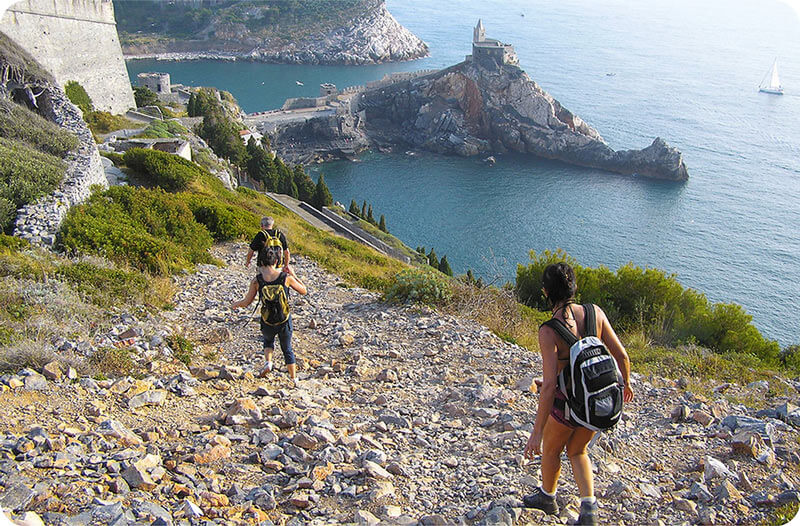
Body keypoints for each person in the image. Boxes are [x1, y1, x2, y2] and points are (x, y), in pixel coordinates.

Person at [523, 262, 634, 525]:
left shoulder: (549, 330)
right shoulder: (595, 313)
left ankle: (548, 497)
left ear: (546, 292)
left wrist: (536, 432)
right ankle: (589, 510)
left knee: (551, 450)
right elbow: (622, 355)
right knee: (577, 450)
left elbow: (550, 386)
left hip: (567, 406)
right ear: (574, 287)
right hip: (597, 403)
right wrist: (626, 385)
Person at [231, 249, 307, 385]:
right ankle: (294, 378)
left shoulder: (257, 281)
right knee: (287, 348)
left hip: (267, 318)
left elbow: (247, 301)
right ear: (276, 261)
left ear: (260, 262)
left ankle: (268, 363)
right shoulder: (285, 278)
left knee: (268, 341)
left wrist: (235, 304)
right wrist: (294, 275)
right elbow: (303, 291)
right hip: (283, 319)